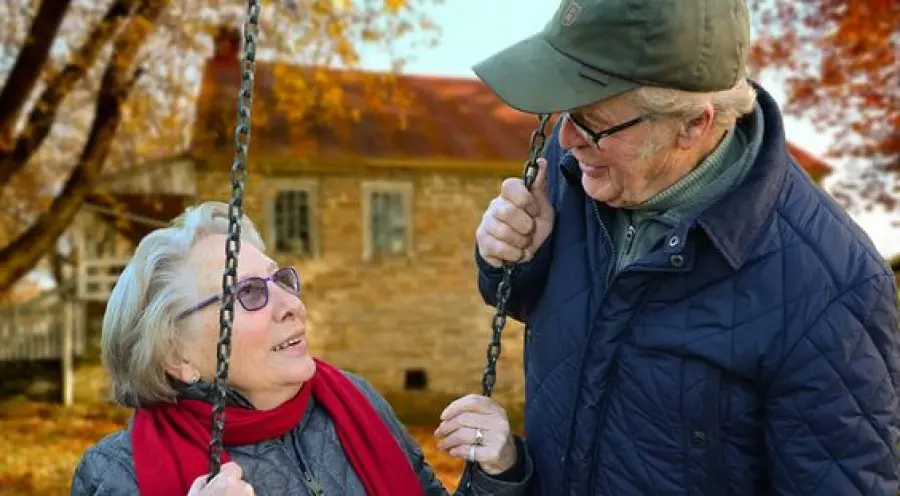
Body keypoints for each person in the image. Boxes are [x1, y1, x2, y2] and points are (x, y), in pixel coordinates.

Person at [471, 0, 900, 494]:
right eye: (565, 111)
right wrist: (513, 258)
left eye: (591, 121)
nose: (566, 139)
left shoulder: (831, 287)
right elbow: (540, 308)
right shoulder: (579, 170)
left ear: (693, 124)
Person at [70, 201, 533, 495]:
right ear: (177, 356)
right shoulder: (116, 474)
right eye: (249, 293)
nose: (290, 304)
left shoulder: (353, 403)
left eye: (281, 280)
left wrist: (499, 473)